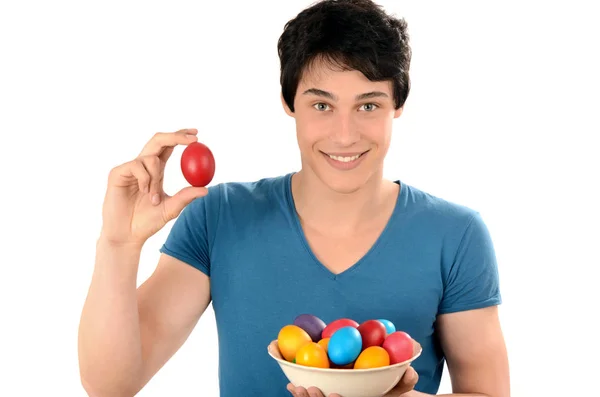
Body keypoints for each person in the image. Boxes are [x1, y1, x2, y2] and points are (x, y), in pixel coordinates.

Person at [78, 0, 510, 396]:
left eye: (368, 106)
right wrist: (118, 245)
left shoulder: (455, 235)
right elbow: (110, 385)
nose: (345, 134)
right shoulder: (219, 217)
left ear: (398, 104)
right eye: (322, 106)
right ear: (289, 102)